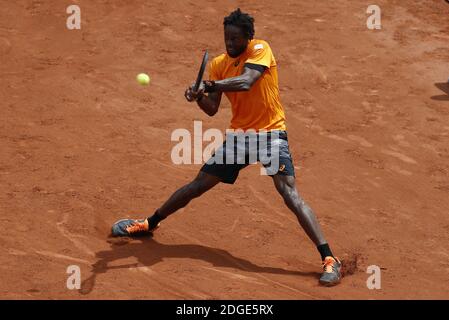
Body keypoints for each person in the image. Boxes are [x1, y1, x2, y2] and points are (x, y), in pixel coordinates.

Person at [112, 8, 341, 286]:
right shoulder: (219, 64)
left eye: (235, 38)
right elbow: (211, 109)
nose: (229, 43)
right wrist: (199, 96)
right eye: (226, 37)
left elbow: (246, 82)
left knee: (288, 193)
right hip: (239, 138)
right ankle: (149, 223)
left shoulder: (260, 49)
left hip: (270, 134)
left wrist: (209, 84)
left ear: (248, 37)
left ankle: (329, 259)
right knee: (197, 185)